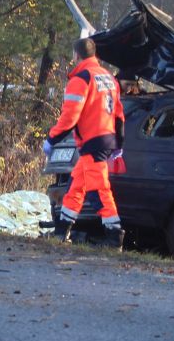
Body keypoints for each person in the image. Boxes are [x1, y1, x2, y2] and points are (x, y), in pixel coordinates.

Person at [43, 37, 126, 249]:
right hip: (105, 138)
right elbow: (118, 114)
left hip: (92, 141)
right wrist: (119, 141)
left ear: (76, 55)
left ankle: (114, 236)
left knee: (99, 189)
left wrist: (52, 138)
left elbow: (70, 116)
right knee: (76, 186)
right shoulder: (108, 78)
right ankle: (62, 231)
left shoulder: (81, 78)